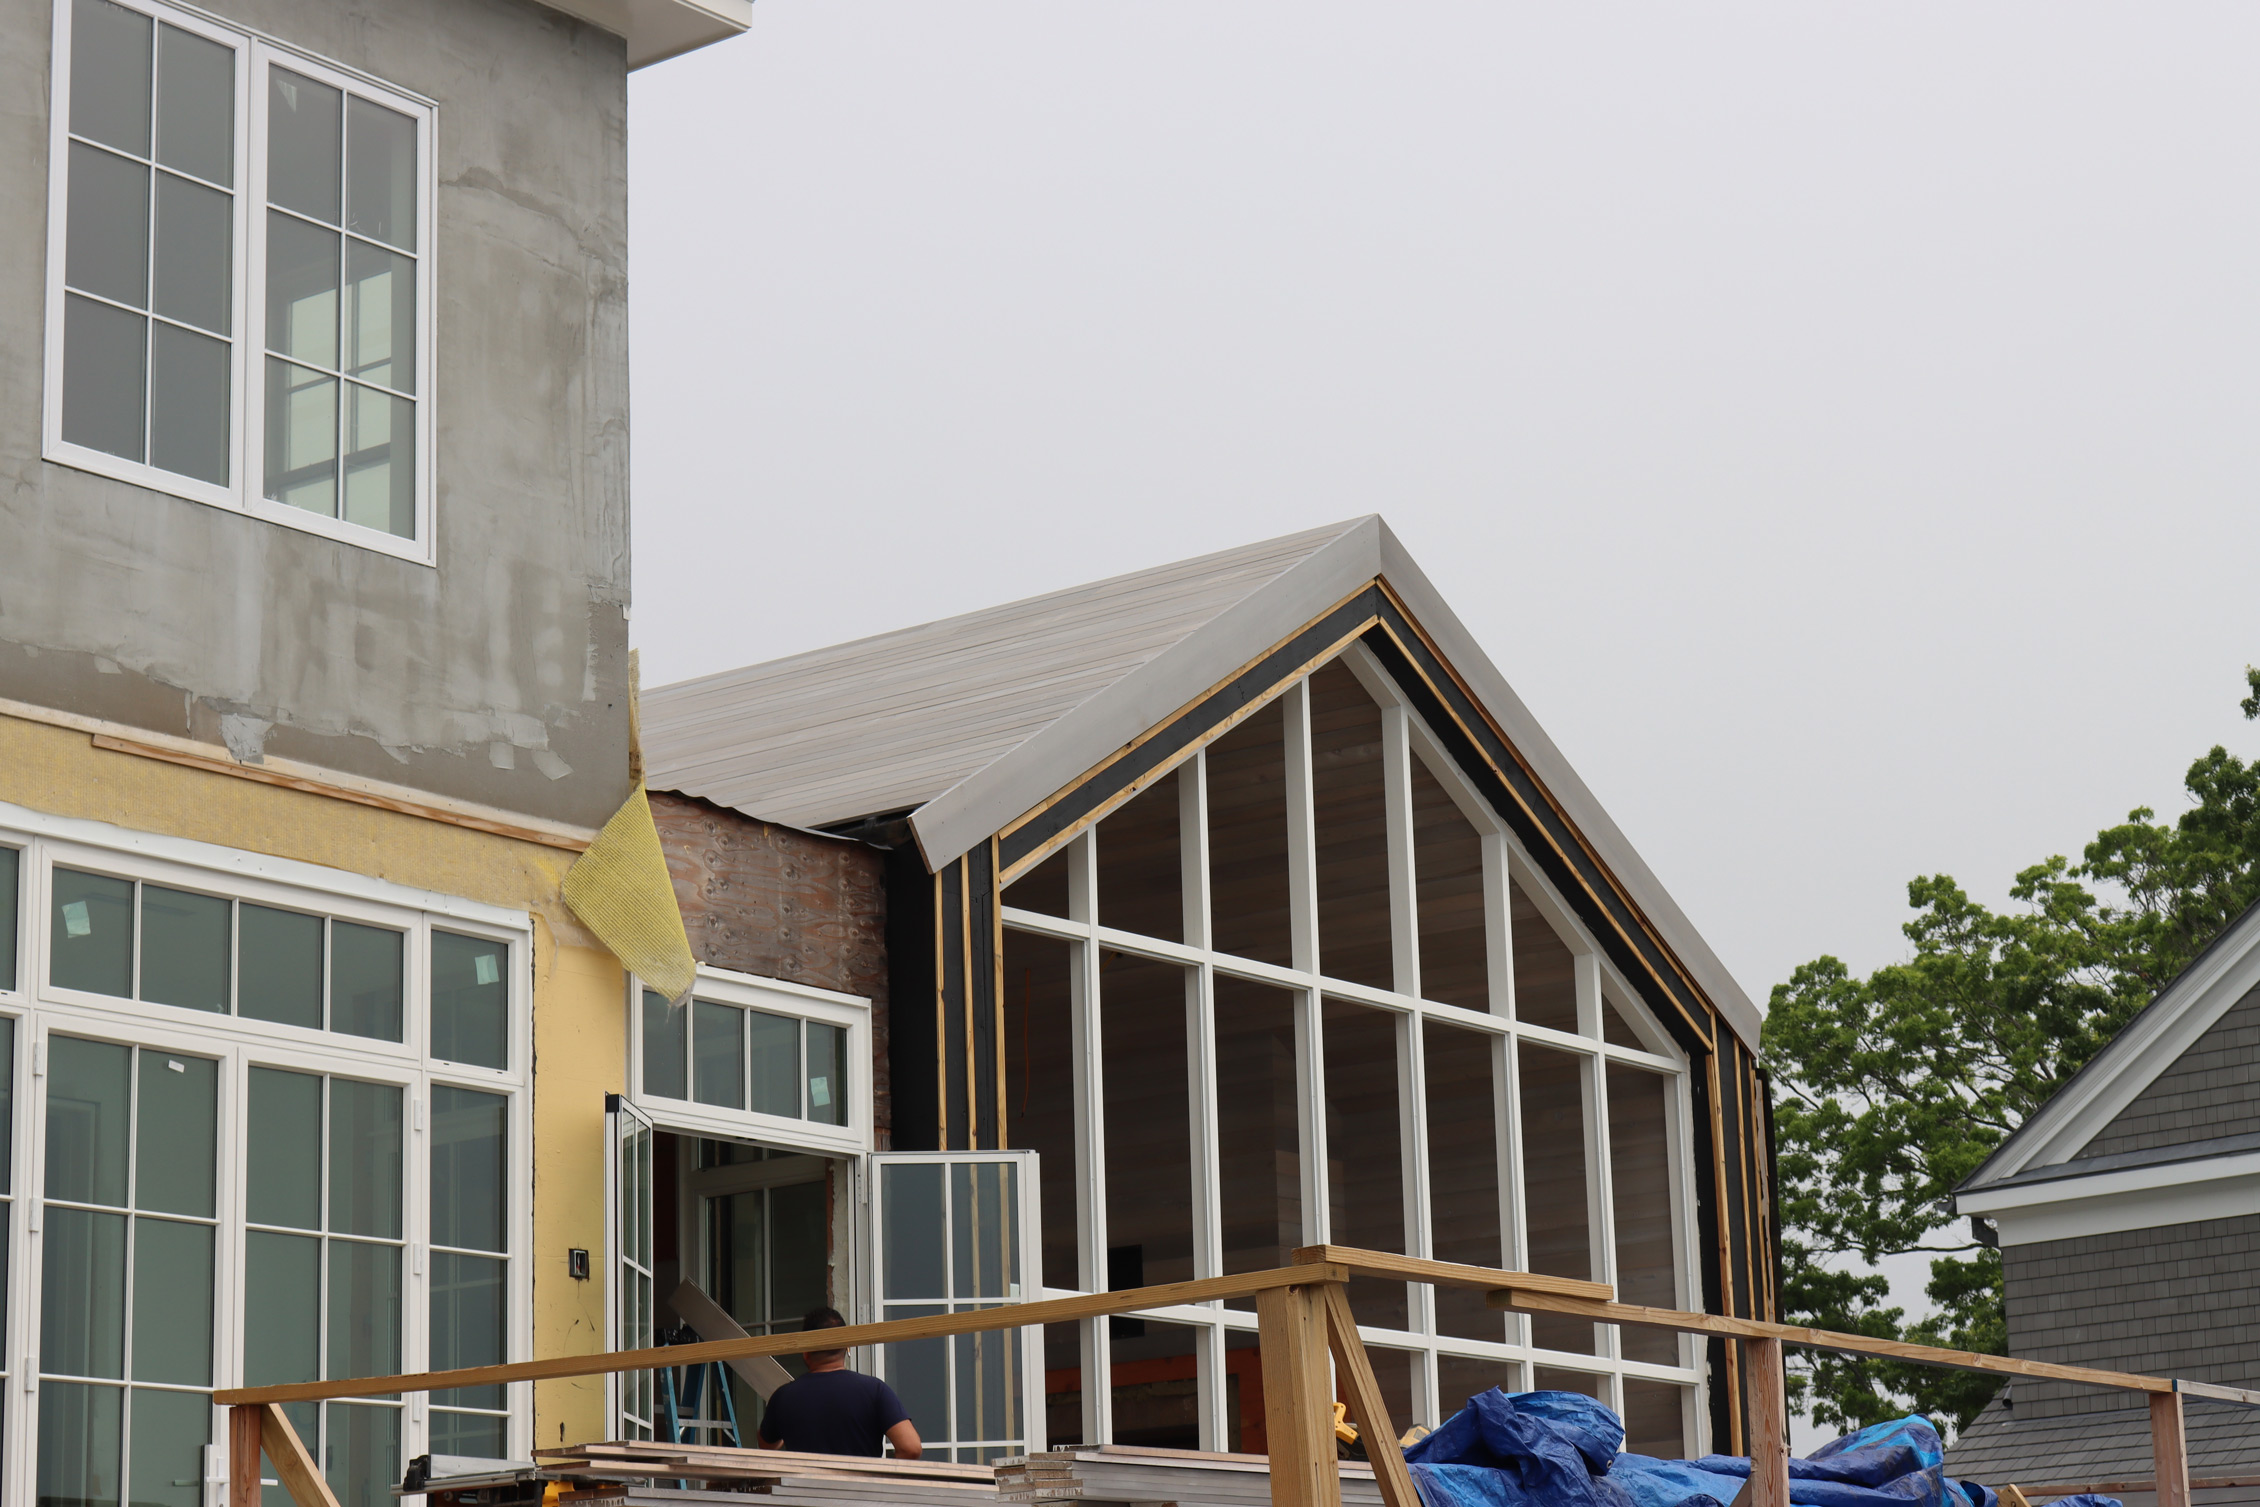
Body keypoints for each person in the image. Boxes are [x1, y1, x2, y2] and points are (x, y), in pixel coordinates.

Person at [756, 1306, 923, 1459]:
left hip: (804, 1490)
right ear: (847, 1348)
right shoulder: (874, 1390)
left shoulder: (783, 1397)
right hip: (861, 1490)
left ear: (805, 1352)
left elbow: (766, 1445)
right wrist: (885, 1480)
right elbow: (911, 1448)